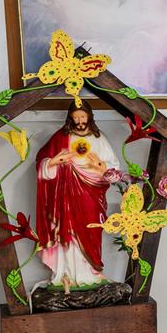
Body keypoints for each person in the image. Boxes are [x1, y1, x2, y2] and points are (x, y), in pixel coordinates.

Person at [34, 105, 120, 288]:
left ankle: (90, 272)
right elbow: (42, 160)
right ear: (70, 118)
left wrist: (100, 166)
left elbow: (114, 169)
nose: (80, 121)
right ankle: (66, 273)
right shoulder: (61, 137)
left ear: (89, 116)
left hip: (91, 192)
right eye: (76, 117)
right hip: (65, 194)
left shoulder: (99, 138)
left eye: (83, 117)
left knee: (91, 228)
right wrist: (56, 162)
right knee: (67, 228)